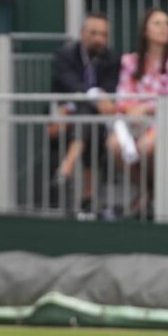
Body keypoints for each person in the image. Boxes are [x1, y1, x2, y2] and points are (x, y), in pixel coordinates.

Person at [110, 8, 168, 214]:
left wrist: (144, 107)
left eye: (167, 24)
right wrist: (133, 110)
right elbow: (122, 96)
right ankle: (147, 190)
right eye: (157, 23)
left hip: (163, 121)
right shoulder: (130, 61)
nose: (164, 28)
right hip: (132, 122)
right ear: (145, 31)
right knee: (115, 146)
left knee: (146, 147)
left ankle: (155, 195)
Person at [50, 13, 119, 213]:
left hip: (99, 118)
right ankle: (88, 194)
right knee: (86, 111)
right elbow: (70, 84)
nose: (99, 39)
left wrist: (97, 100)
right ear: (82, 34)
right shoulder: (65, 56)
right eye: (94, 33)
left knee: (90, 119)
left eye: (103, 34)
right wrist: (94, 96)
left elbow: (110, 88)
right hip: (65, 111)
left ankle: (67, 167)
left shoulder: (112, 58)